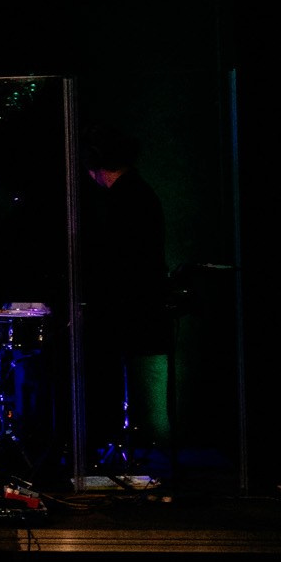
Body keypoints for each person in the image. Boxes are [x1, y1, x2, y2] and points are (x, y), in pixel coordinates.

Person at [79, 122, 172, 470]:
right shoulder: (140, 193)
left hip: (133, 316)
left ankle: (144, 466)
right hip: (144, 315)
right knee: (146, 404)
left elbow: (116, 264)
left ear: (95, 165)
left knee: (146, 408)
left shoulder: (121, 202)